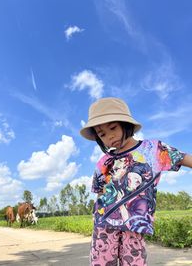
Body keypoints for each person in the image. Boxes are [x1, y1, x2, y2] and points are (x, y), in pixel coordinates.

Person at [80, 97, 192, 266]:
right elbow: (100, 193)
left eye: (113, 128)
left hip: (134, 226)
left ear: (126, 124)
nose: (110, 136)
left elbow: (184, 158)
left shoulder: (153, 149)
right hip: (104, 227)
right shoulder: (104, 162)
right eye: (102, 134)